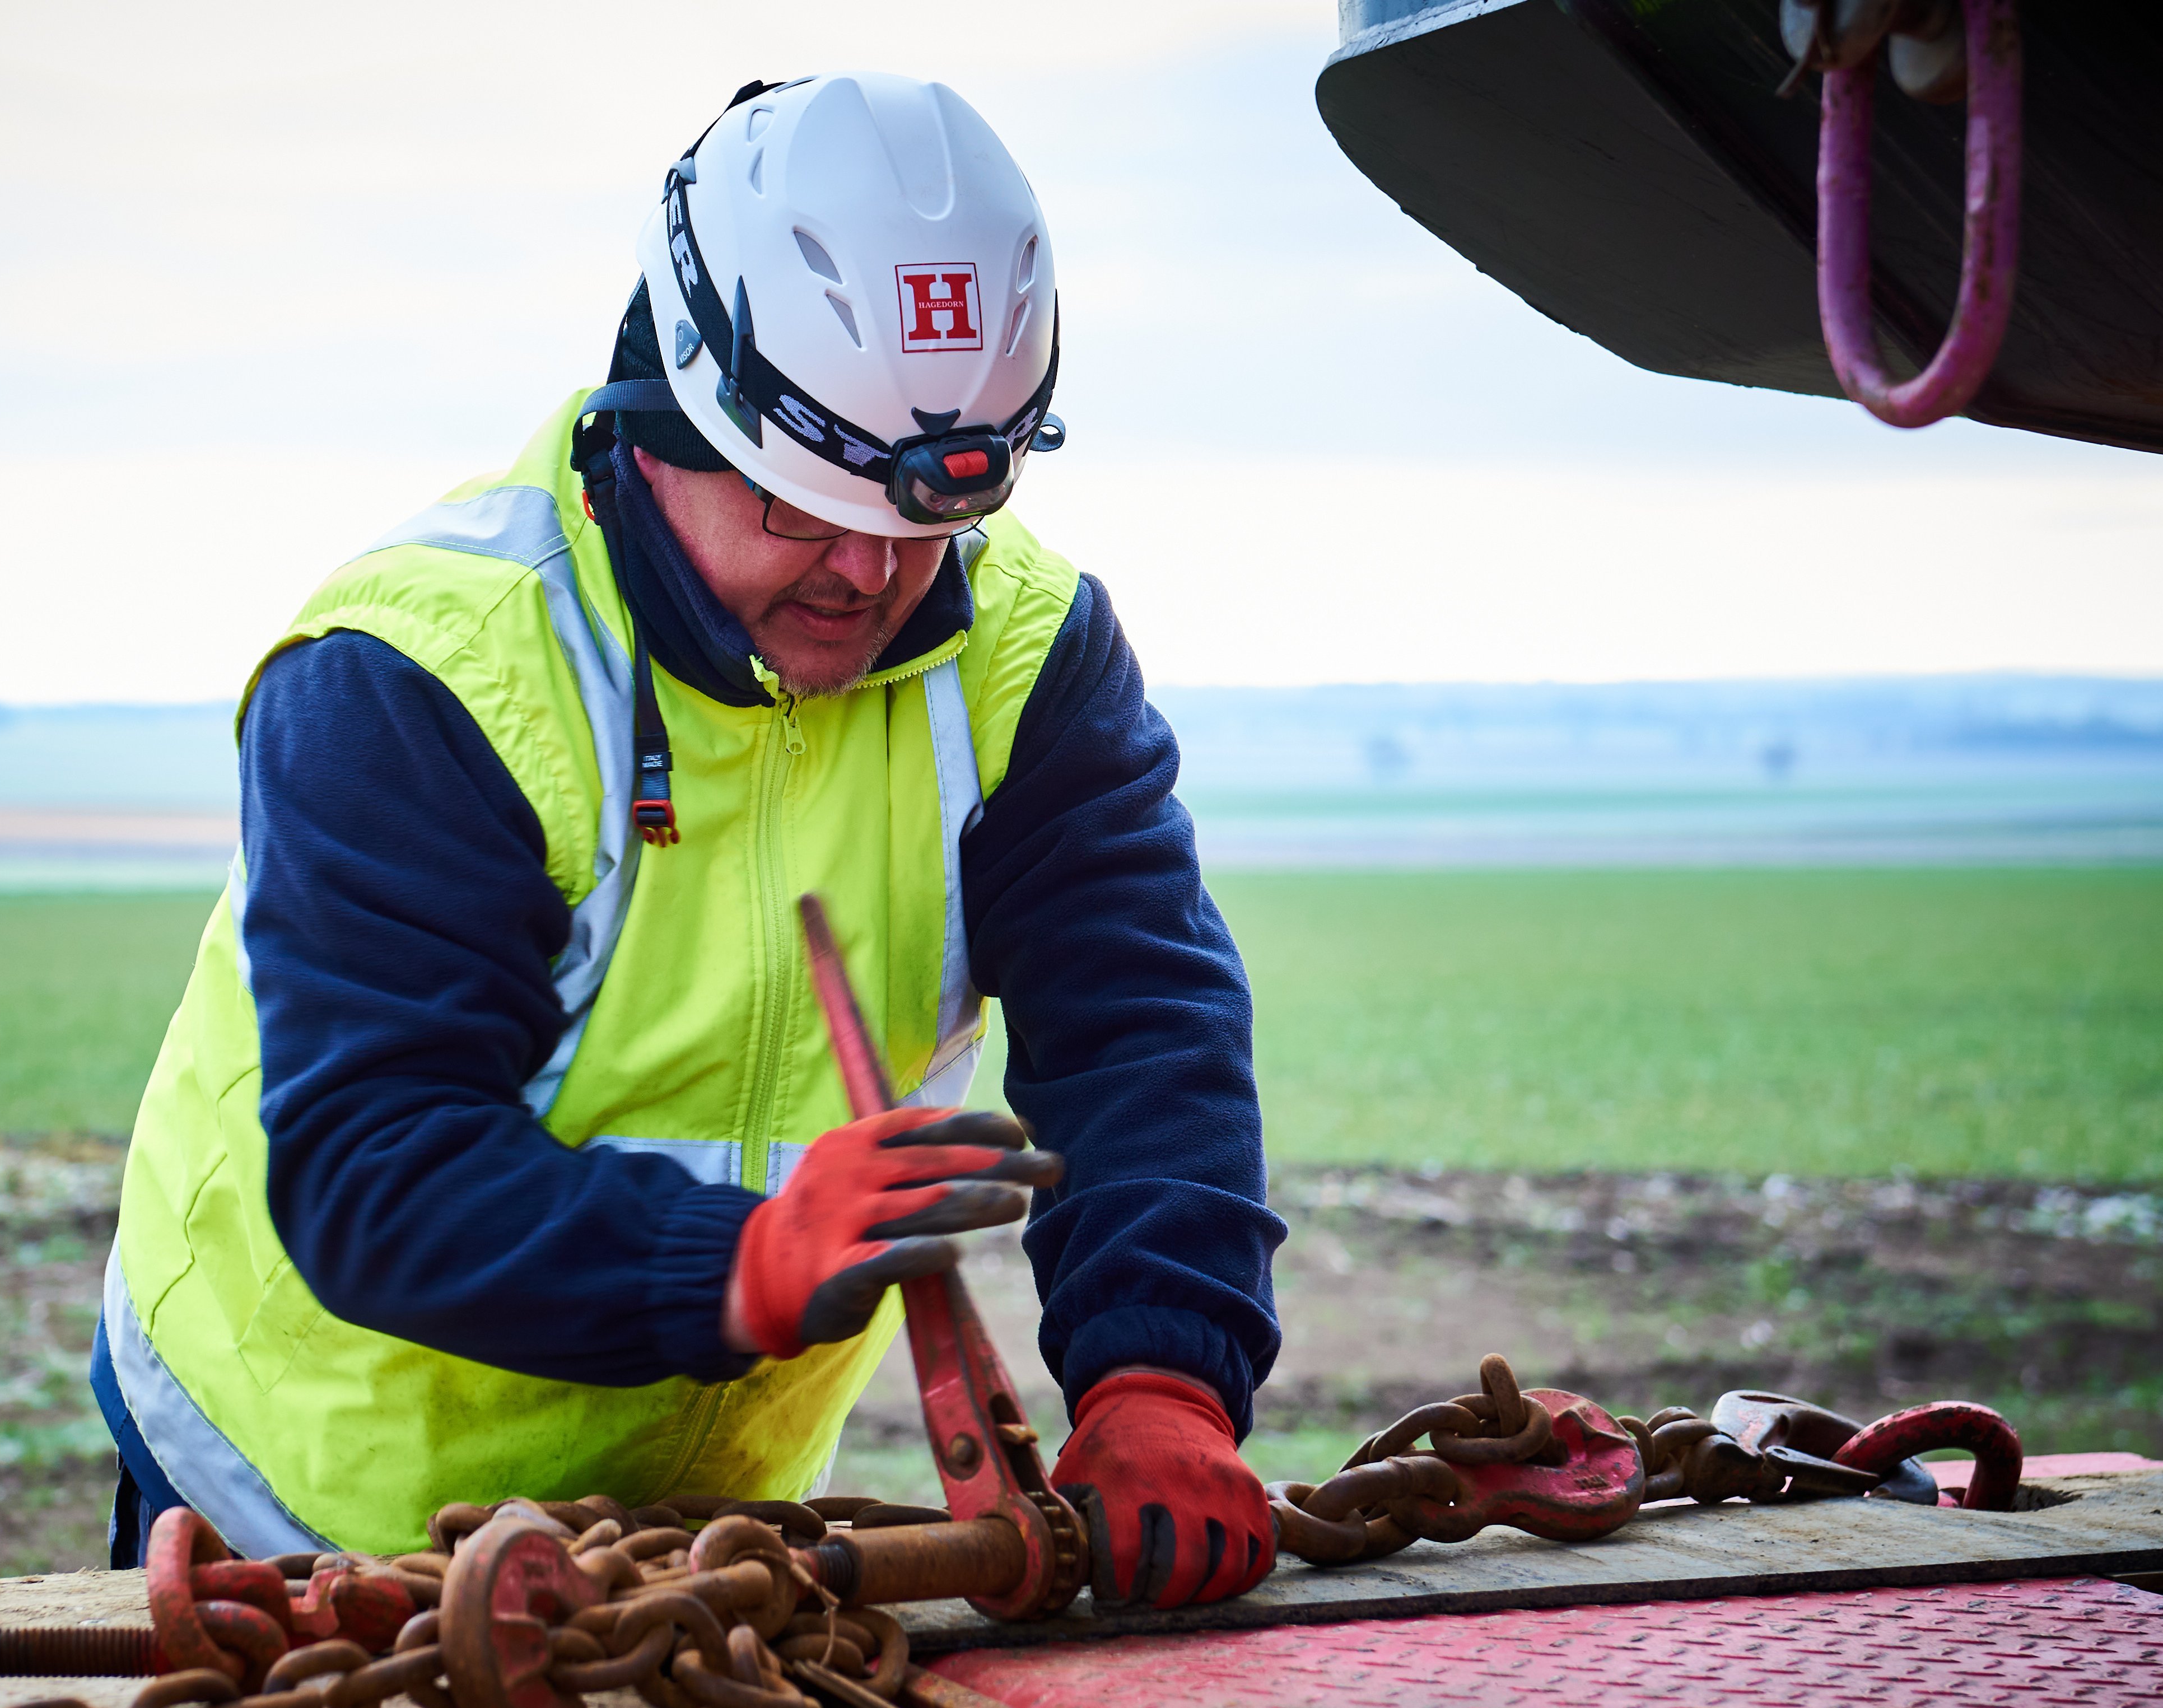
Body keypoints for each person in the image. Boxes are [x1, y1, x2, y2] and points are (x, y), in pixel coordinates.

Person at [90, 71, 1286, 1611]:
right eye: (803, 502)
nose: (870, 571)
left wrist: (1158, 1375)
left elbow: (1140, 1030)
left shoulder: (1023, 655)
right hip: (296, 1506)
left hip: (687, 1540)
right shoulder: (420, 673)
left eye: (922, 520)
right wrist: (736, 1262)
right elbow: (376, 1162)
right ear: (674, 408)